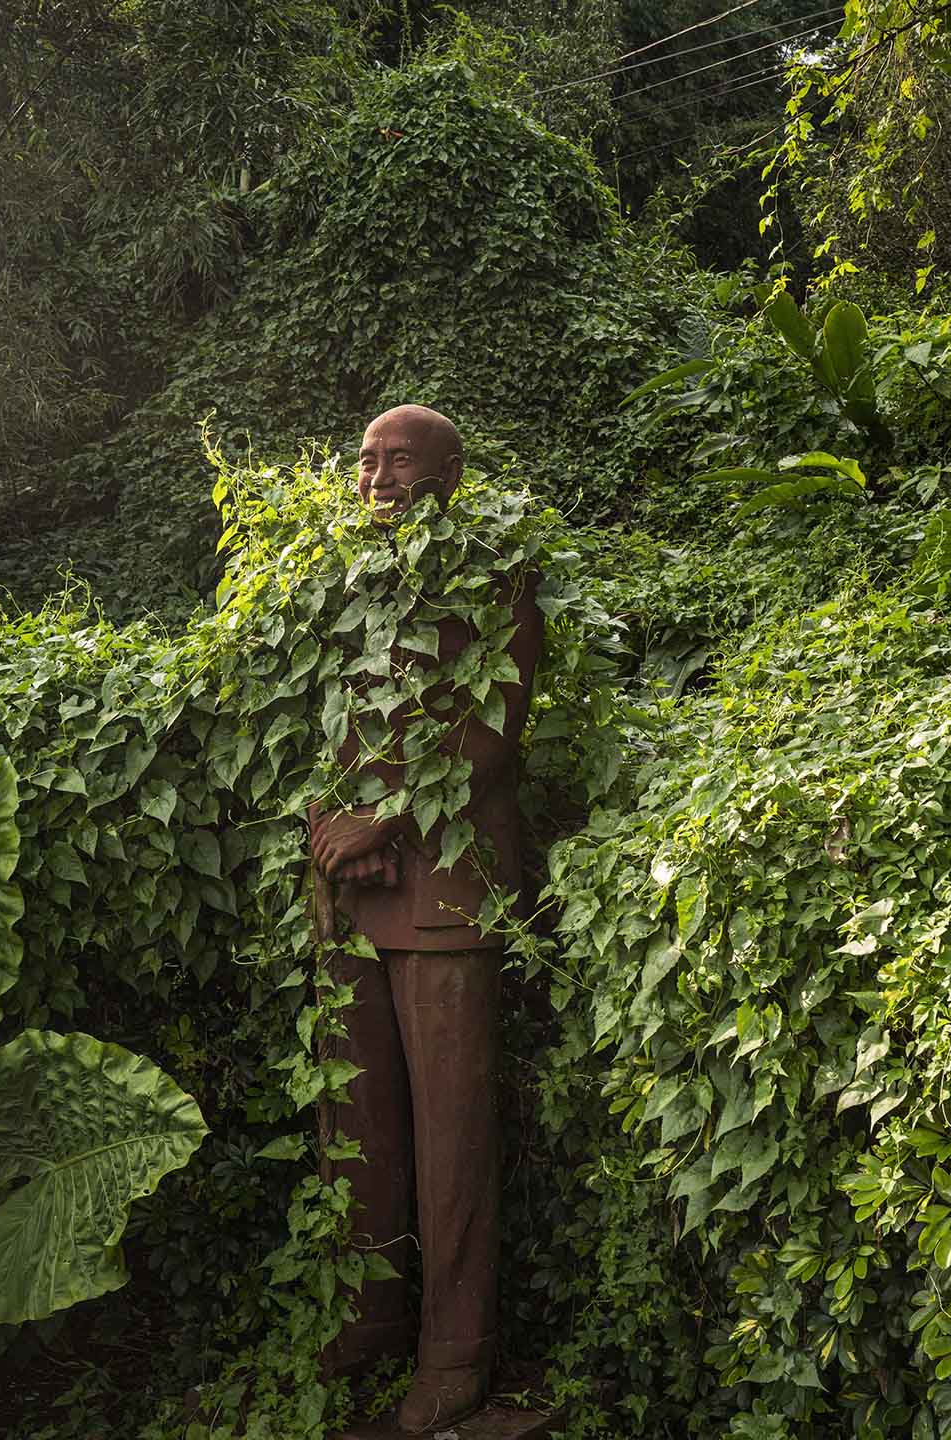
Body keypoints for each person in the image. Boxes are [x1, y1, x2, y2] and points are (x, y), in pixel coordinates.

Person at [305, 404, 543, 1434]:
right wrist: (325, 822)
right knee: (356, 1122)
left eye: (399, 460)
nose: (377, 477)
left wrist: (383, 816)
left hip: (450, 887)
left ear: (449, 471)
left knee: (453, 1135)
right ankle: (368, 1314)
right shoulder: (333, 578)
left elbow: (494, 732)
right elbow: (307, 712)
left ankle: (457, 1352)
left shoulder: (496, 575)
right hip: (352, 891)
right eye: (365, 460)